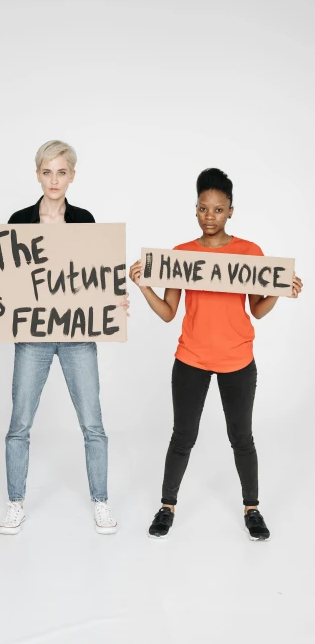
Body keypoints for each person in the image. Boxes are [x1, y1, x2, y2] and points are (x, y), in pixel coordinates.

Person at [129, 167, 303, 541]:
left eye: (218, 209)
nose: (210, 216)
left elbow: (257, 309)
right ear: (195, 209)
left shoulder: (249, 253)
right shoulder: (181, 255)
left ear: (231, 211)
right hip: (191, 358)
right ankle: (167, 505)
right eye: (203, 208)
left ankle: (252, 508)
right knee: (183, 435)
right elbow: (168, 313)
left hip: (237, 360)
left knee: (242, 436)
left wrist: (280, 289)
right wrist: (144, 286)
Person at [0, 140, 128, 535]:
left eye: (62, 172)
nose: (54, 179)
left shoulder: (85, 220)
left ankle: (100, 501)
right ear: (37, 174)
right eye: (47, 171)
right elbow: (6, 281)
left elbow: (95, 277)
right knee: (19, 423)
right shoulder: (19, 220)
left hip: (77, 335)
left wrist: (113, 299)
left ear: (72, 175)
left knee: (93, 424)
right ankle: (15, 502)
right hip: (34, 336)